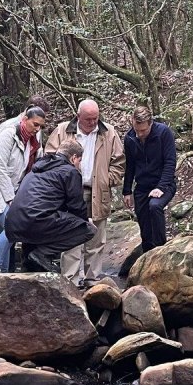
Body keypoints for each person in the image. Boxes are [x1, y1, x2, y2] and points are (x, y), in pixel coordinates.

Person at [44, 98, 124, 284]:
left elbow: (119, 163)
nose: (93, 122)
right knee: (71, 237)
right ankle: (69, 281)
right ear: (78, 116)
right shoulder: (63, 131)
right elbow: (49, 157)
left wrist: (106, 180)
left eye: (96, 118)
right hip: (69, 192)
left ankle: (91, 280)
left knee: (96, 239)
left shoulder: (109, 133)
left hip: (98, 191)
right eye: (88, 119)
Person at [0, 106, 47, 272]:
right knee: (14, 227)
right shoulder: (8, 134)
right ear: (25, 120)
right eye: (35, 124)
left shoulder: (31, 141)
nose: (37, 129)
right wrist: (10, 198)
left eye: (40, 126)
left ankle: (4, 272)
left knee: (2, 233)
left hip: (8, 190)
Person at [4, 139, 96, 273]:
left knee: (31, 259)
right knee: (88, 230)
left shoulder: (36, 169)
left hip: (14, 223)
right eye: (79, 161)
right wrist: (85, 222)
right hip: (37, 220)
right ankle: (43, 253)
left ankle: (29, 269)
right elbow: (76, 206)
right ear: (73, 157)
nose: (79, 165)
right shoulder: (69, 171)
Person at [122, 105, 177, 252]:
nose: (139, 134)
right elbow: (130, 165)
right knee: (143, 220)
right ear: (132, 121)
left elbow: (170, 162)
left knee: (155, 206)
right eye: (137, 129)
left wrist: (161, 187)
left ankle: (161, 249)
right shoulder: (130, 138)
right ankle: (147, 252)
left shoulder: (163, 133)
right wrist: (127, 190)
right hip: (142, 186)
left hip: (164, 183)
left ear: (151, 124)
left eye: (143, 130)